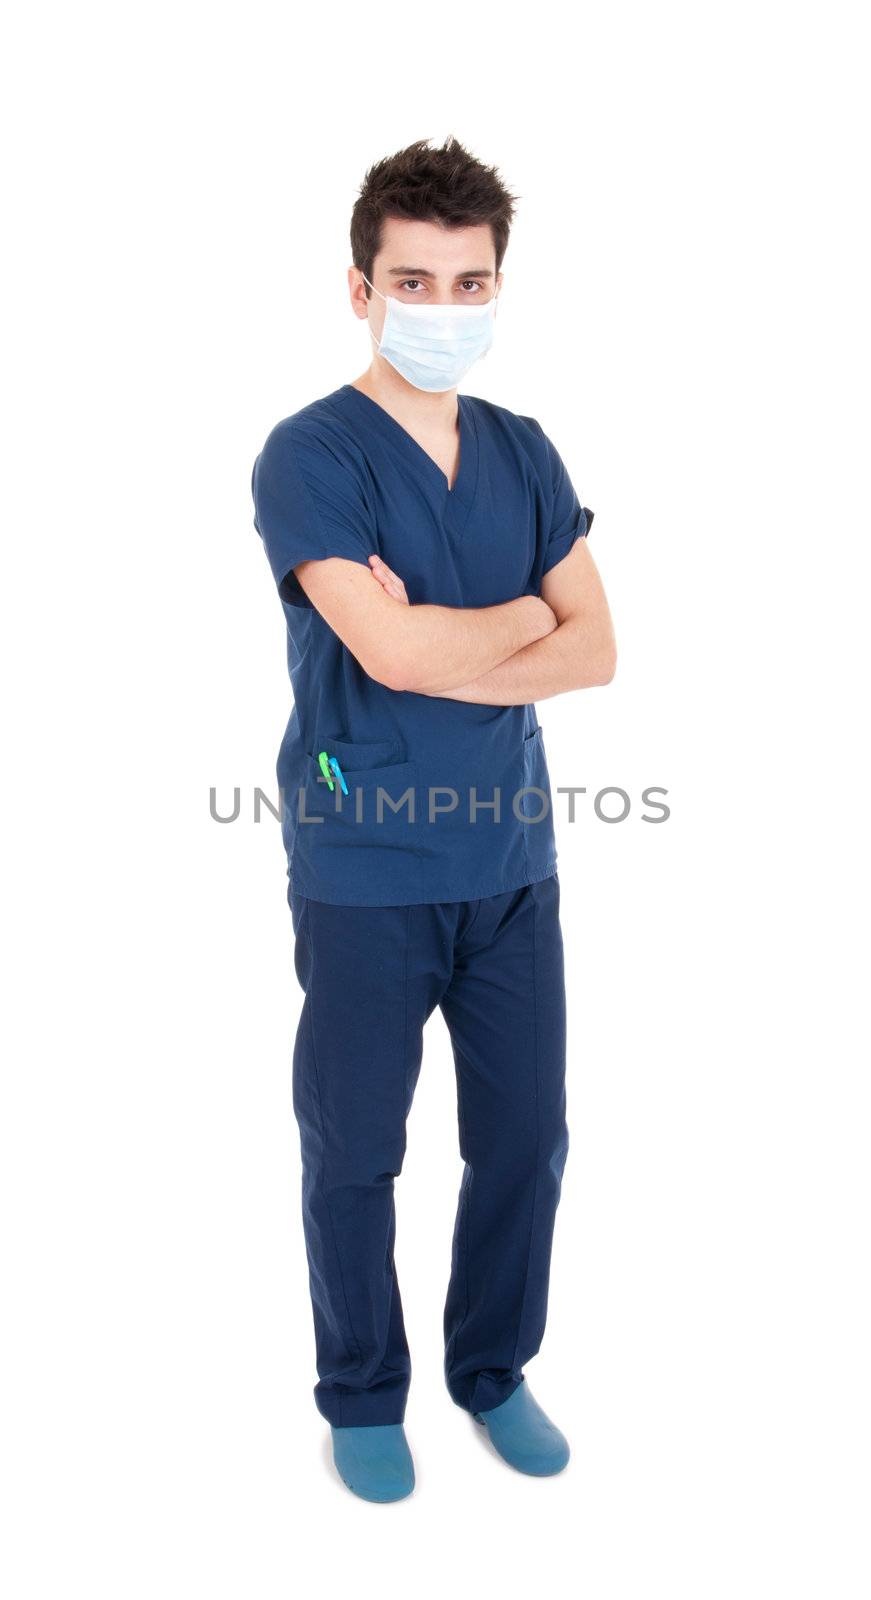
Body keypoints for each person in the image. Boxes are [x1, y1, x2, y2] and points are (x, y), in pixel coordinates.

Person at [250, 135, 616, 1503]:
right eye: (415, 279)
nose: (443, 310)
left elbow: (601, 651)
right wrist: (533, 609)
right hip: (361, 859)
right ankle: (361, 1393)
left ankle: (492, 1371)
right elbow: (389, 662)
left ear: (499, 286)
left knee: (526, 1134)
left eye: (471, 283)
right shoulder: (310, 457)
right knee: (358, 1144)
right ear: (359, 287)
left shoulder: (523, 451)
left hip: (511, 857)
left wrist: (487, 624)